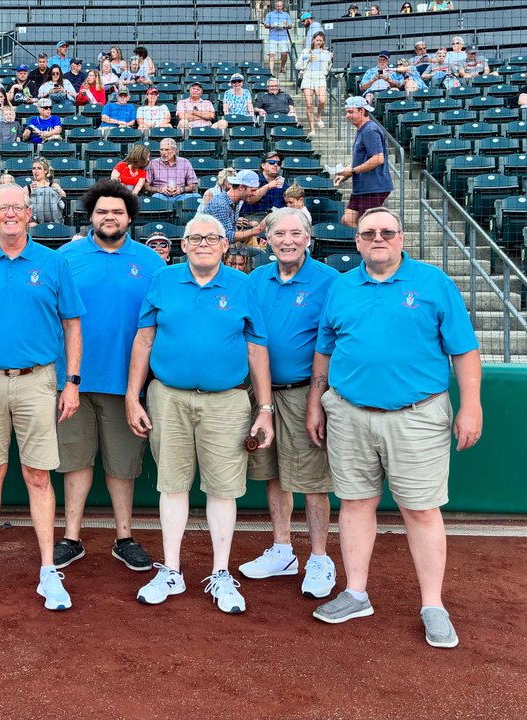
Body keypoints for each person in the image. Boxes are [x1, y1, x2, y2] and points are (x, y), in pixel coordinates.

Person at [307, 207, 482, 649]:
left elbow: (463, 351)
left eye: (387, 231)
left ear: (401, 238)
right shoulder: (342, 287)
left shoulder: (433, 283)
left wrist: (471, 406)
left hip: (418, 415)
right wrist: (316, 405)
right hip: (349, 413)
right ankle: (356, 592)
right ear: (358, 242)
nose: (378, 238)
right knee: (355, 503)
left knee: (421, 511)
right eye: (369, 233)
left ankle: (433, 605)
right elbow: (324, 354)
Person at [128, 214, 275, 612]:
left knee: (223, 489)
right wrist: (132, 396)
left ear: (226, 245)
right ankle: (172, 571)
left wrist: (264, 409)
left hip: (227, 401)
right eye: (195, 238)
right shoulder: (163, 280)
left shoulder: (243, 285)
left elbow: (256, 348)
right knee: (171, 485)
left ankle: (221, 573)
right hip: (168, 397)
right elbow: (144, 339)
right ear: (185, 244)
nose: (204, 243)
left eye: (212, 237)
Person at [0, 183, 85, 611]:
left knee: (38, 476)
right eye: (2, 208)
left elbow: (73, 327)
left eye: (18, 208)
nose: (10, 214)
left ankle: (48, 571)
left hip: (38, 380)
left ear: (30, 215)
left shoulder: (53, 263)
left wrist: (72, 382)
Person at [53, 180, 162, 572]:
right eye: (102, 212)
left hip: (127, 385)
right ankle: (71, 538)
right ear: (91, 216)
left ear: (130, 217)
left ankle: (124, 537)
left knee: (122, 465)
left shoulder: (152, 263)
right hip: (74, 382)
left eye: (117, 212)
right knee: (75, 461)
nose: (109, 218)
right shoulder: (65, 258)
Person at [238, 208, 340, 598]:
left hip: (304, 393)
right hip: (262, 395)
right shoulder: (254, 280)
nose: (287, 240)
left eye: (295, 233)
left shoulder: (330, 281)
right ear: (266, 240)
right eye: (278, 233)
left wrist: (317, 400)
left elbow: (331, 345)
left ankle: (318, 556)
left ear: (309, 238)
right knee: (275, 473)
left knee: (313, 480)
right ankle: (282, 550)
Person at [334, 97, 393, 228]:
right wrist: (345, 175)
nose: (347, 116)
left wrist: (352, 171)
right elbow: (360, 160)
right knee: (348, 220)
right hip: (362, 188)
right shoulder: (362, 130)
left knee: (369, 226)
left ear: (362, 111)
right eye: (347, 112)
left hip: (373, 187)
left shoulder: (370, 130)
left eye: (351, 112)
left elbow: (378, 159)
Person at [202, 169, 265, 243]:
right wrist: (257, 230)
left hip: (221, 245)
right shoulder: (220, 204)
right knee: (259, 253)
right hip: (210, 246)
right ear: (241, 187)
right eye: (252, 190)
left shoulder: (235, 202)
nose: (254, 194)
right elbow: (228, 237)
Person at [297, 32, 333, 134]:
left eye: (321, 41)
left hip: (320, 77)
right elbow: (297, 66)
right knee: (309, 104)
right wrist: (308, 59)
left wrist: (330, 60)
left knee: (322, 100)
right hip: (308, 77)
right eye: (317, 40)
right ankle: (312, 129)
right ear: (313, 40)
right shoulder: (305, 51)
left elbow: (327, 69)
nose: (319, 42)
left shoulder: (325, 53)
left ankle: (318, 116)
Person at [146, 138, 199, 203]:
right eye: (161, 149)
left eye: (167, 150)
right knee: (156, 197)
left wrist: (181, 189)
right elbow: (146, 186)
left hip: (181, 196)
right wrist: (160, 189)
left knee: (197, 197)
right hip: (161, 196)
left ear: (174, 151)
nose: (163, 153)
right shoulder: (153, 163)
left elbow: (193, 186)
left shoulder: (185, 162)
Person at [242, 151, 288, 217]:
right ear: (263, 165)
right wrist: (268, 186)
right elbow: (250, 200)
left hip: (276, 218)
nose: (275, 165)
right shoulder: (254, 180)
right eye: (271, 162)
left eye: (279, 163)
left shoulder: (283, 184)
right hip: (253, 216)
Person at [27, 157, 66, 225]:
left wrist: (42, 187)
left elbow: (63, 195)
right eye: (34, 168)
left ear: (45, 171)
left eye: (39, 168)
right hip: (34, 222)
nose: (36, 171)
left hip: (54, 220)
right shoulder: (28, 188)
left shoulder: (54, 185)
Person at [262, 0, 292, 75]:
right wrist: (272, 26)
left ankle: (282, 67)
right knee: (272, 54)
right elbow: (266, 25)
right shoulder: (270, 14)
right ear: (275, 6)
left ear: (282, 6)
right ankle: (271, 71)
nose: (279, 7)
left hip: (283, 37)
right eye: (277, 6)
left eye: (280, 6)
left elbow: (290, 25)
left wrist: (285, 26)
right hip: (273, 37)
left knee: (284, 53)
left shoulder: (286, 15)